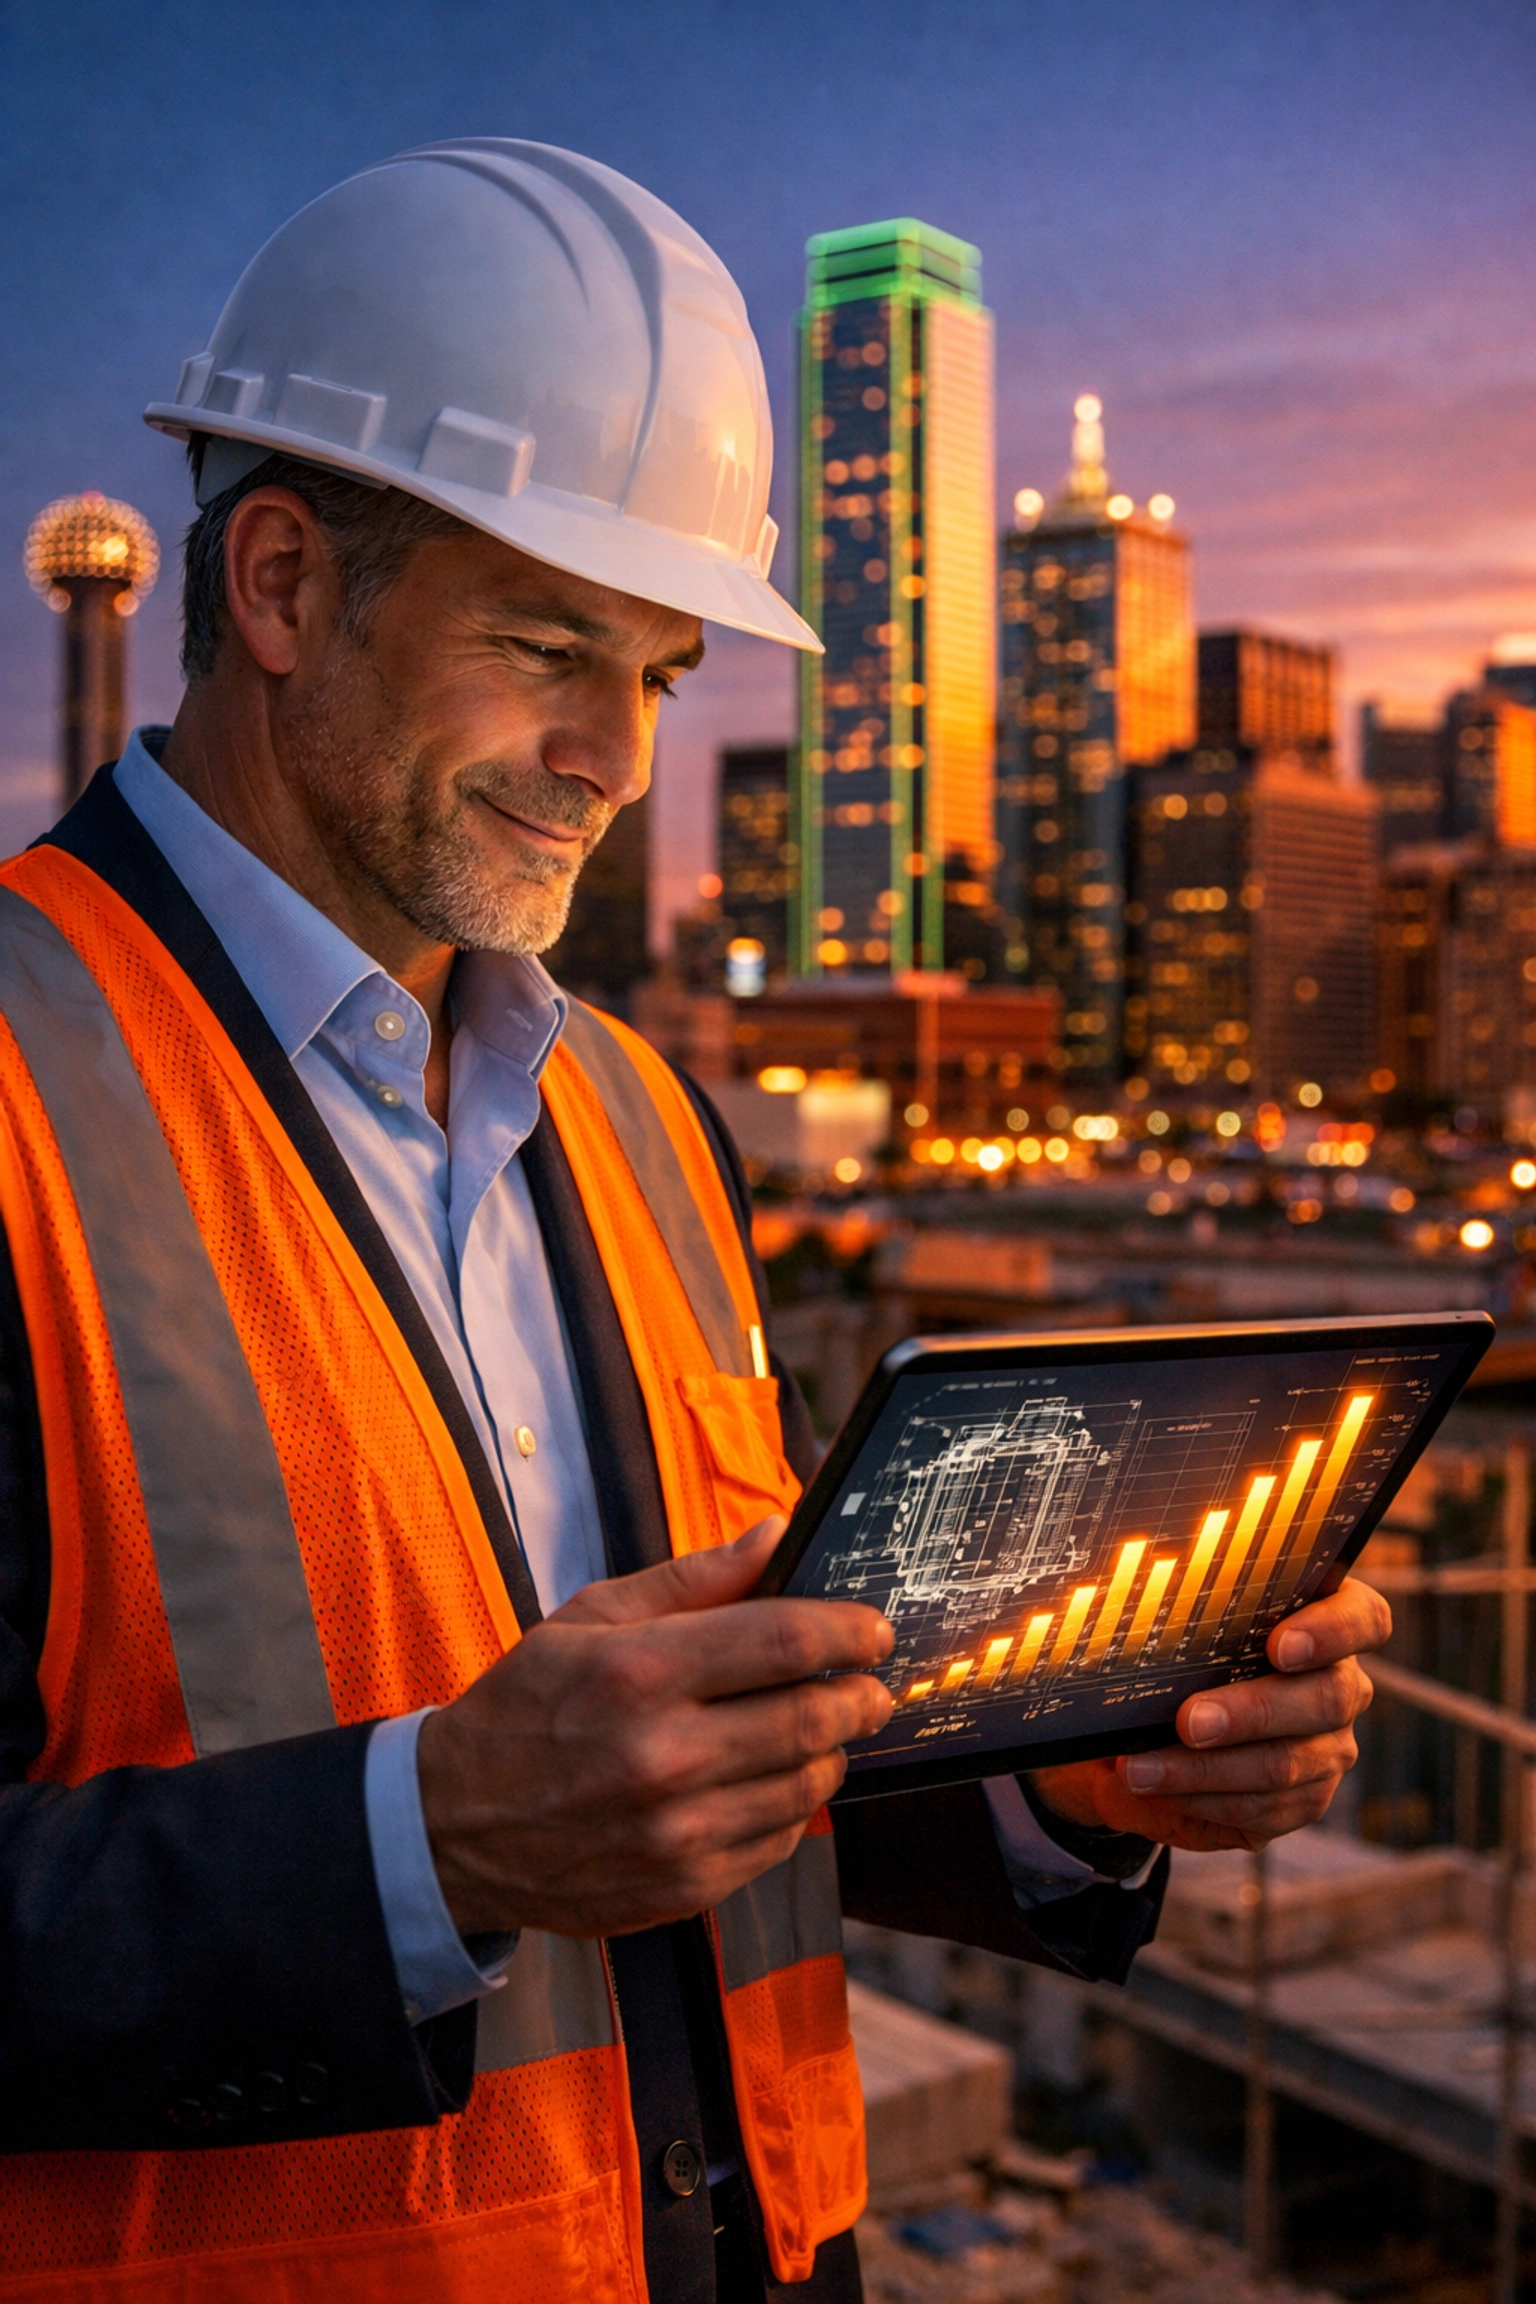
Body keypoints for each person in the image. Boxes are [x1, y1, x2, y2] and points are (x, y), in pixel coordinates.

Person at [0, 142, 1389, 2301]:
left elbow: (737, 1768)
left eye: (658, 672)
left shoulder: (638, 1120)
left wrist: (1078, 1781)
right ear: (277, 587)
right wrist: (428, 1838)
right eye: (552, 645)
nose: (614, 759)